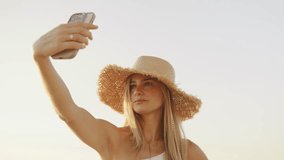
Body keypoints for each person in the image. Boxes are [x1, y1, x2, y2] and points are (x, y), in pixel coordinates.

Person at [33, 21, 208, 160]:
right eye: (132, 85)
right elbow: (69, 113)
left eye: (147, 83)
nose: (137, 90)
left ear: (166, 94)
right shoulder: (113, 139)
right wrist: (41, 58)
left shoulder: (187, 153)